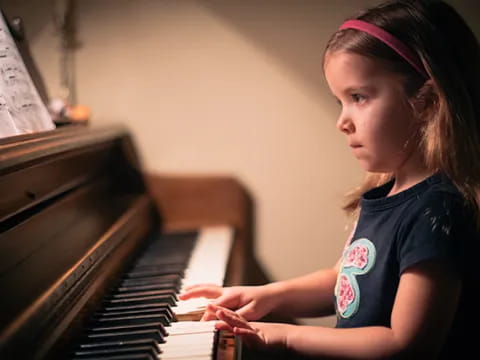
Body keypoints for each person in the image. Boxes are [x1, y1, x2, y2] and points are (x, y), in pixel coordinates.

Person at [179, 0, 480, 358]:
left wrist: (284, 335)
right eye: (340, 101)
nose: (343, 121)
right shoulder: (388, 193)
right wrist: (264, 295)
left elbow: (406, 343)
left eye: (358, 97)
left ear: (427, 101)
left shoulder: (437, 212)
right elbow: (341, 279)